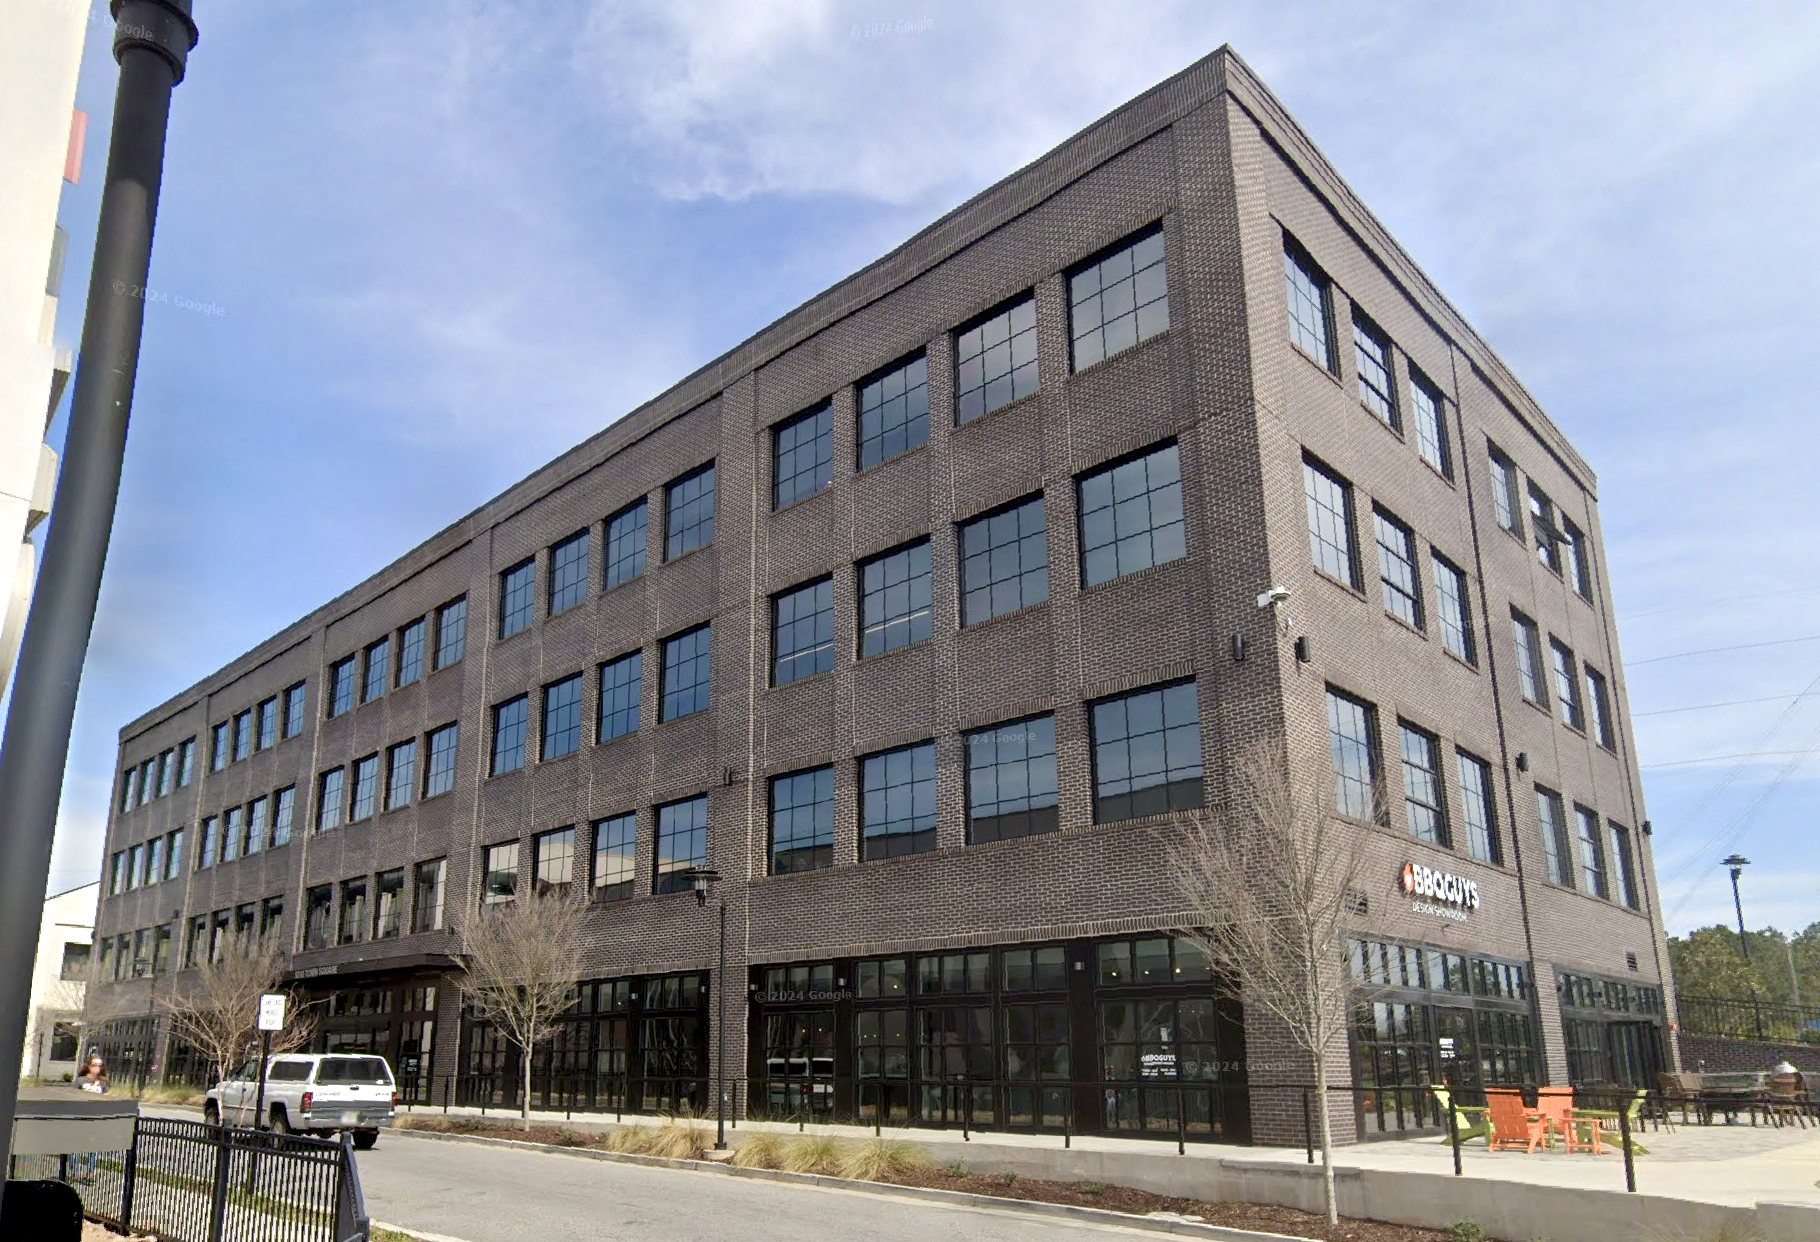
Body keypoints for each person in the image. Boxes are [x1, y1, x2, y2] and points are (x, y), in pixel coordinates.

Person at [72, 1053, 108, 1182]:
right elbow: (72, 1097)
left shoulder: (103, 1082)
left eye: (99, 1065)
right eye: (94, 1065)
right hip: (81, 1117)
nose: (97, 1068)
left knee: (93, 1147)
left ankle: (90, 1172)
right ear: (89, 1066)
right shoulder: (81, 1081)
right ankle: (74, 1172)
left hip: (95, 1118)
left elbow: (105, 1099)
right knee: (75, 1147)